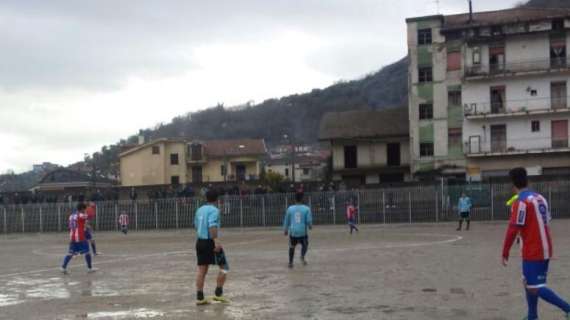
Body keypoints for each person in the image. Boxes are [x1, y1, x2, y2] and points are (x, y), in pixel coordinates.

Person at [502, 167, 570, 320]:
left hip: (534, 250)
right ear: (527, 180)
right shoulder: (540, 198)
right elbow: (544, 222)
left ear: (513, 184)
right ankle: (532, 316)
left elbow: (513, 229)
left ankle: (568, 308)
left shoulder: (521, 202)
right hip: (544, 247)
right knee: (528, 282)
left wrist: (505, 252)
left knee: (535, 287)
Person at [194, 189, 230, 305]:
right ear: (217, 199)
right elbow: (212, 225)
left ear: (206, 198)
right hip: (210, 242)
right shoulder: (214, 210)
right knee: (224, 267)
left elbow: (195, 225)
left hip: (200, 242)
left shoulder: (199, 210)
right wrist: (216, 242)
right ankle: (218, 294)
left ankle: (200, 297)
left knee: (201, 271)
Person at [60, 203, 96, 274]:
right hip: (80, 236)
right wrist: (92, 208)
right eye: (84, 209)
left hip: (72, 236)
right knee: (87, 252)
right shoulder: (80, 215)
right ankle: (89, 268)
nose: (85, 210)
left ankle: (63, 267)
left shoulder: (71, 216)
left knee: (70, 253)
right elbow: (90, 216)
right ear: (82, 209)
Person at [283, 192, 313, 269]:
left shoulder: (290, 208)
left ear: (294, 199)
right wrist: (310, 226)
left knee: (291, 247)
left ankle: (290, 263)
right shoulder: (306, 208)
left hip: (293, 232)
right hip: (302, 232)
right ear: (302, 199)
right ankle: (302, 256)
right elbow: (308, 221)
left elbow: (287, 220)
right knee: (305, 245)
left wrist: (285, 229)